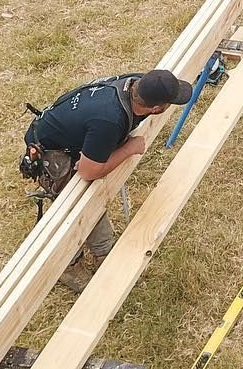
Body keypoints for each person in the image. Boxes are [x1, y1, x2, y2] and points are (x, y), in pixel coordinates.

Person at [21, 68, 193, 292]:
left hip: (72, 133)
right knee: (76, 208)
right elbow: (88, 171)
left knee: (92, 198)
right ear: (156, 108)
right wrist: (129, 148)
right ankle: (68, 265)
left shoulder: (135, 84)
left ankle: (103, 252)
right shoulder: (108, 121)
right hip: (52, 153)